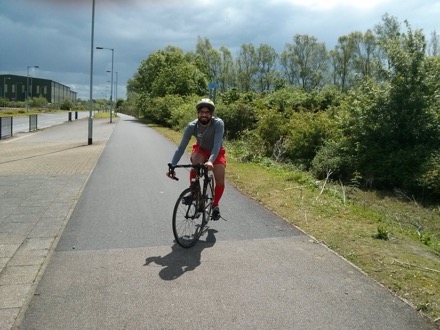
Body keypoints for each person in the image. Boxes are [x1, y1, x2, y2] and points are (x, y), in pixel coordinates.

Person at [167, 98, 226, 220]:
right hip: (201, 149)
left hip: (217, 150)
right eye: (201, 112)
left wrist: (210, 160)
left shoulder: (218, 123)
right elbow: (181, 148)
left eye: (207, 112)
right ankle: (194, 191)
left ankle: (215, 205)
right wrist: (172, 165)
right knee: (195, 163)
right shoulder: (192, 126)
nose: (204, 114)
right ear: (198, 113)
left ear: (211, 114)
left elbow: (216, 145)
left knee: (220, 178)